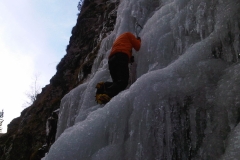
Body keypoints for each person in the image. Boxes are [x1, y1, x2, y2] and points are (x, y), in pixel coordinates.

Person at [96, 32, 141, 104]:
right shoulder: (128, 35)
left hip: (111, 60)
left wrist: (129, 58)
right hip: (121, 56)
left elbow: (121, 51)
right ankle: (106, 94)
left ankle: (104, 86)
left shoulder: (119, 40)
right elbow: (138, 46)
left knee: (117, 83)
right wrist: (139, 40)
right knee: (123, 82)